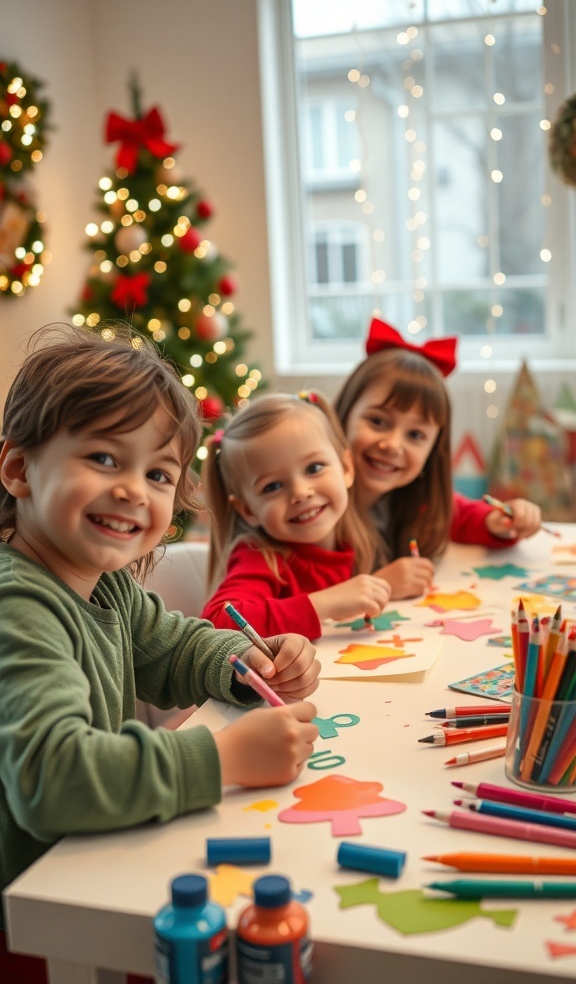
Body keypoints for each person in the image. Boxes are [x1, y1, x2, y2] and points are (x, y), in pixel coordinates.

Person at [0, 324, 320, 984]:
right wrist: (223, 757)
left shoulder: (105, 583)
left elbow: (175, 647)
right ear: (16, 469)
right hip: (34, 925)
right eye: (103, 459)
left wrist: (248, 662)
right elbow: (51, 778)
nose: (133, 490)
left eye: (158, 473)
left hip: (93, 870)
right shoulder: (18, 606)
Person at [334, 317, 542, 600]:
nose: (393, 445)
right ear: (343, 415)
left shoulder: (415, 499)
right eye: (378, 421)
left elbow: (459, 514)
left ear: (433, 450)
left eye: (416, 435)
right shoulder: (313, 506)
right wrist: (380, 584)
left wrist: (500, 522)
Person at [201, 391, 391, 639]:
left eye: (314, 468)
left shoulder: (354, 534)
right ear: (247, 510)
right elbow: (216, 622)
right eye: (272, 486)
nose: (301, 493)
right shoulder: (260, 557)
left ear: (346, 468)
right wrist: (325, 603)